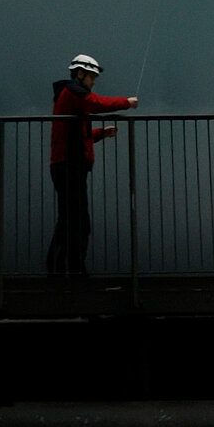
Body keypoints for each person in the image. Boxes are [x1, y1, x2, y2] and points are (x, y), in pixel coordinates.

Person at [47, 54, 134, 277]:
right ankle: (70, 270)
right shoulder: (75, 93)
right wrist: (127, 103)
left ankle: (64, 269)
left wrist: (99, 134)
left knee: (71, 219)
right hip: (69, 167)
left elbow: (77, 134)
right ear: (80, 74)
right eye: (92, 77)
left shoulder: (70, 96)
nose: (93, 82)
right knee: (75, 221)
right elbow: (95, 103)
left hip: (68, 165)